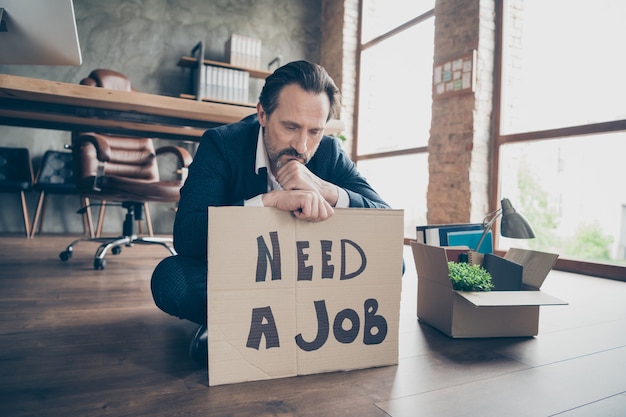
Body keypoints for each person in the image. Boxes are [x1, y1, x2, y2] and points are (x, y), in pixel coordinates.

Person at [150, 60, 390, 363]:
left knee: (394, 264)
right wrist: (268, 203)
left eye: (314, 131)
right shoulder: (222, 144)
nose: (302, 145)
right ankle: (296, 322)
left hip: (310, 275)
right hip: (245, 274)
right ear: (262, 113)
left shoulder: (328, 151)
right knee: (172, 280)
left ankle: (243, 322)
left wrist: (327, 190)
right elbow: (188, 237)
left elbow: (384, 219)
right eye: (290, 127)